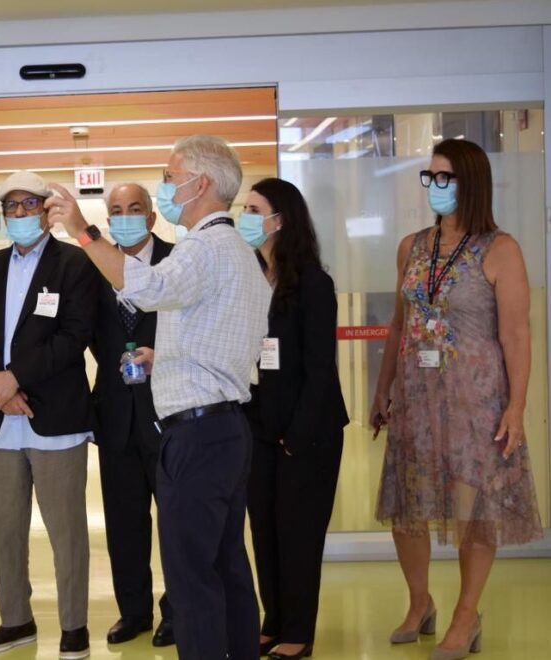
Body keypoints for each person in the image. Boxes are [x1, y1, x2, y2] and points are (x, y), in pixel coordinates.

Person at [45, 136, 270, 660]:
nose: (166, 187)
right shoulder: (241, 252)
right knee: (227, 567)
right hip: (228, 426)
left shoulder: (202, 247)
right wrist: (163, 355)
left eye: (170, 178)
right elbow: (218, 332)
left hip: (197, 434)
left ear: (201, 184)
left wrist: (83, 230)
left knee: (192, 579)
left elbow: (145, 289)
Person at [371, 138, 542, 660]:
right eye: (431, 177)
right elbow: (398, 324)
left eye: (444, 178)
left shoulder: (500, 249)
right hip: (416, 401)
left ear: (471, 184)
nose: (435, 187)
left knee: (472, 511)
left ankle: (467, 616)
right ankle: (420, 602)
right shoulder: (412, 246)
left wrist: (516, 407)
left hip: (475, 403)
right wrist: (382, 387)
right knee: (409, 506)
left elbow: (516, 334)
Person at [0, 170, 97, 660]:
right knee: (6, 529)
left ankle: (74, 626)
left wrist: (15, 378)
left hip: (55, 418)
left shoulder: (75, 264)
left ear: (47, 211)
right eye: (11, 206)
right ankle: (15, 620)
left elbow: (73, 336)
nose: (19, 213)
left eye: (29, 204)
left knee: (66, 530)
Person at [239, 178, 348, 660]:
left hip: (307, 433)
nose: (245, 217)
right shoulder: (250, 278)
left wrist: (296, 436)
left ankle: (299, 631)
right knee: (264, 530)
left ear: (280, 220)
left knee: (298, 532)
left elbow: (321, 368)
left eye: (253, 209)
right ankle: (274, 621)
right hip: (258, 426)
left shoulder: (313, 284)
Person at [88, 183, 174, 648]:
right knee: (123, 522)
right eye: (116, 211)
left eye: (134, 209)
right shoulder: (94, 268)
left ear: (151, 217)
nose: (125, 218)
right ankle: (134, 612)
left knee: (175, 520)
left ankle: (176, 610)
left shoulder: (177, 262)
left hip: (170, 409)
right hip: (115, 412)